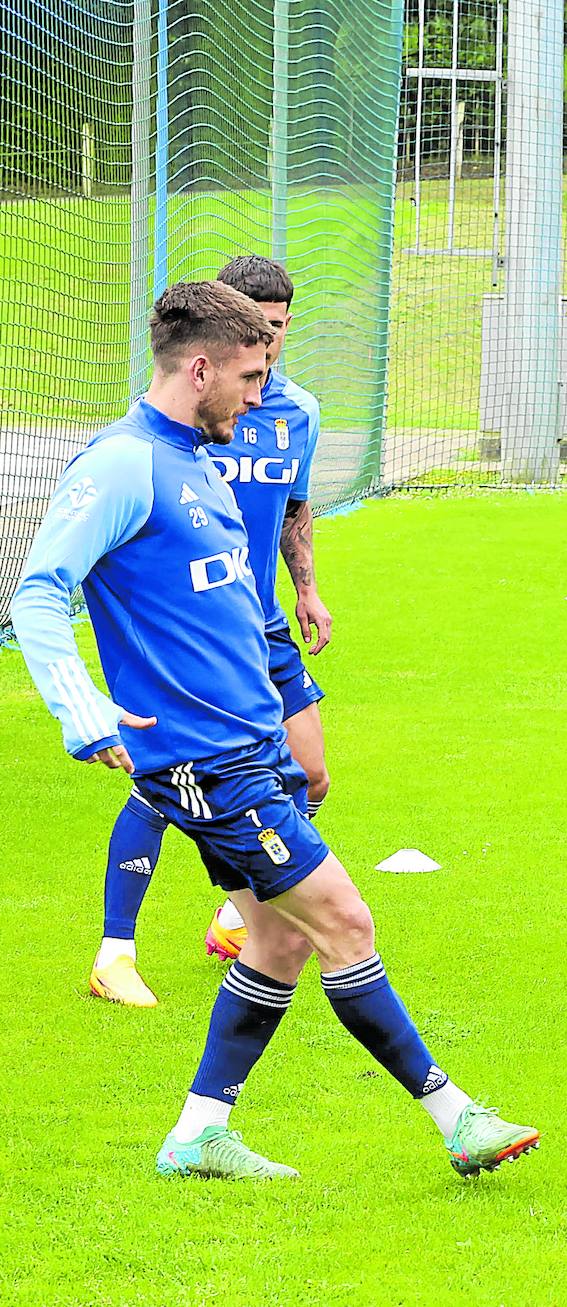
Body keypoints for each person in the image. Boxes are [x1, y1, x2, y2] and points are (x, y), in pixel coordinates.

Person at [11, 281, 537, 1179]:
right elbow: (38, 591)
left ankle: (198, 1134)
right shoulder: (121, 464)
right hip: (208, 762)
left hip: (254, 746)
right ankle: (458, 1117)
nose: (261, 395)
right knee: (345, 920)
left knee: (282, 939)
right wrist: (80, 705)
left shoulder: (198, 460)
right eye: (250, 377)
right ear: (202, 367)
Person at [90, 255, 333, 1007]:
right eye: (260, 328)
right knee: (169, 784)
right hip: (191, 635)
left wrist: (308, 590)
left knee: (311, 773)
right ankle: (116, 950)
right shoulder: (186, 420)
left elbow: (294, 508)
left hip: (259, 624)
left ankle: (238, 910)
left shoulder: (299, 413)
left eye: (282, 327)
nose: (273, 340)